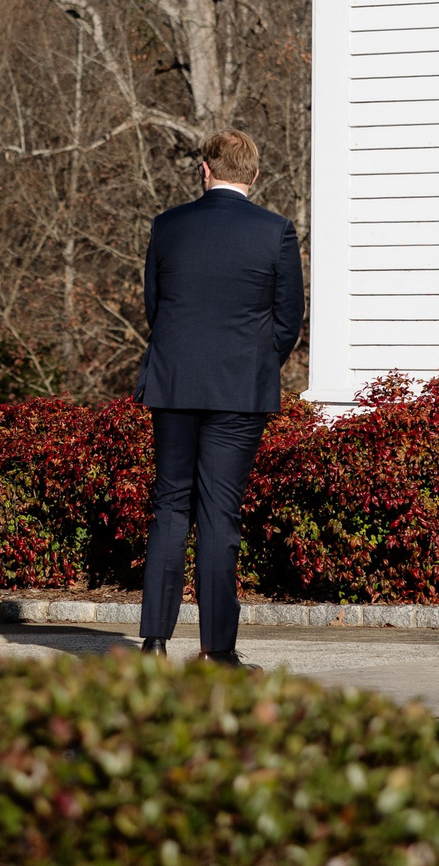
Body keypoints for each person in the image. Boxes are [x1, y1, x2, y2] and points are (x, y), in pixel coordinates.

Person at [135, 131, 304, 667]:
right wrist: (253, 363)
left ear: (205, 169)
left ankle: (155, 642)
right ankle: (218, 650)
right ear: (253, 176)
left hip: (175, 382)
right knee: (219, 513)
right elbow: (288, 320)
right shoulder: (275, 231)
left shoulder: (168, 226)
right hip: (240, 388)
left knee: (170, 505)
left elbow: (155, 307)